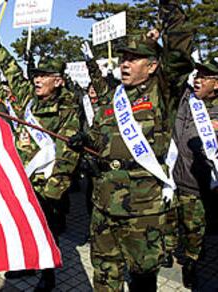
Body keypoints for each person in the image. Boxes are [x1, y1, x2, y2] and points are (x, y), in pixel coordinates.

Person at [68, 0, 193, 290]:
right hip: (103, 204)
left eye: (133, 58)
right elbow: (100, 138)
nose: (124, 63)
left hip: (142, 208)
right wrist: (85, 141)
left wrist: (169, 9)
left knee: (143, 277)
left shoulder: (163, 91)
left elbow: (180, 51)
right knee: (105, 275)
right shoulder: (113, 98)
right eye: (123, 57)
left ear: (152, 66)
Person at [0, 32, 80, 291]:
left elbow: (67, 157)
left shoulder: (67, 110)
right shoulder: (29, 98)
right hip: (23, 179)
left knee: (47, 232)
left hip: (46, 186)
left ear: (59, 81)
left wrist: (53, 193)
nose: (37, 79)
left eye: (44, 75)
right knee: (23, 226)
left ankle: (48, 276)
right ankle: (27, 263)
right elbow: (13, 72)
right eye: (36, 75)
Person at [172, 59, 218, 288]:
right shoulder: (186, 99)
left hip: (197, 185)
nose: (197, 80)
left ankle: (191, 263)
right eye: (196, 75)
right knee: (171, 222)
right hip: (172, 178)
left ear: (216, 84)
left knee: (194, 228)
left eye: (204, 76)